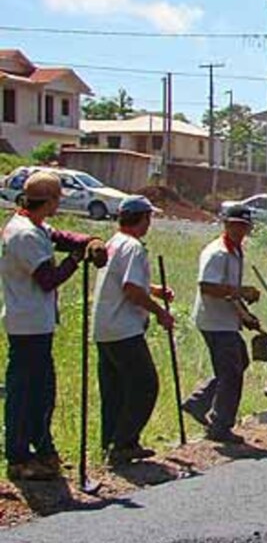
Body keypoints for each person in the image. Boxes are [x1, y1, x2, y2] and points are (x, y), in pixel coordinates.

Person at [1, 171, 107, 480]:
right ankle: (18, 457)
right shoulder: (24, 235)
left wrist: (90, 241)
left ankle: (41, 448)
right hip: (28, 324)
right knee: (25, 392)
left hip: (36, 323)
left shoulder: (36, 226)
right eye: (57, 198)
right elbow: (48, 280)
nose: (59, 204)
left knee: (42, 390)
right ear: (47, 200)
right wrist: (77, 258)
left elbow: (60, 237)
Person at [92, 195, 175, 465]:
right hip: (124, 327)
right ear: (143, 218)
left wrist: (154, 290)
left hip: (104, 327)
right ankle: (125, 442)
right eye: (148, 218)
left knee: (115, 389)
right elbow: (129, 289)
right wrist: (160, 312)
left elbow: (123, 281)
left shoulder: (114, 243)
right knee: (145, 385)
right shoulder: (134, 247)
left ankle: (110, 443)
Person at [181, 205, 261, 444]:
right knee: (232, 372)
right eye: (235, 225)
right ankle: (220, 425)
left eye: (244, 226)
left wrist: (245, 315)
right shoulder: (217, 253)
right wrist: (242, 291)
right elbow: (207, 286)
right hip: (214, 321)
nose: (240, 230)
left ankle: (199, 402)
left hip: (226, 319)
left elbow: (228, 292)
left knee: (238, 363)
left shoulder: (234, 251)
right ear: (226, 224)